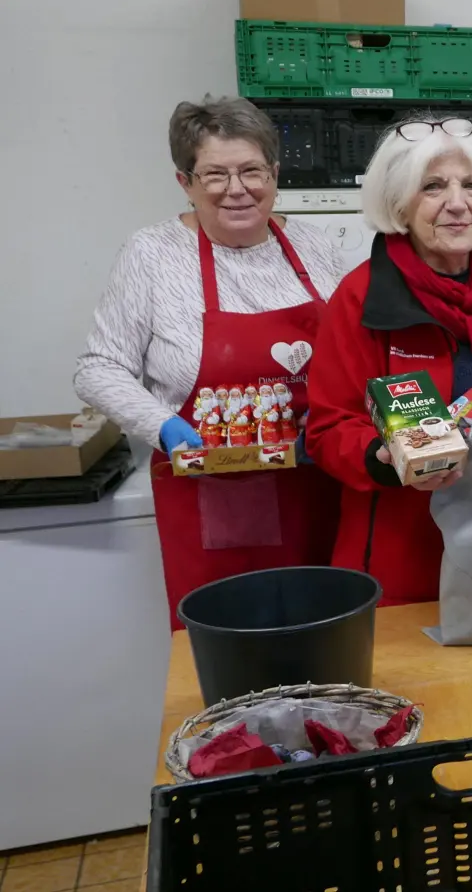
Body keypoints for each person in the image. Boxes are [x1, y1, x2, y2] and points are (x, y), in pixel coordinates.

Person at [74, 96, 347, 630]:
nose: (237, 189)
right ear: (185, 182)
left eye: (251, 171)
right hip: (212, 496)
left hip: (320, 486)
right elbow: (98, 367)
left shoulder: (314, 245)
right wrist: (164, 425)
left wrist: (340, 412)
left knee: (328, 639)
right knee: (238, 654)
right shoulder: (151, 253)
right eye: (215, 174)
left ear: (274, 172)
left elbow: (352, 353)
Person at [306, 116, 472, 605]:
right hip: (409, 550)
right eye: (434, 187)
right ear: (400, 202)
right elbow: (327, 428)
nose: (457, 204)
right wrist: (382, 456)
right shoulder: (362, 296)